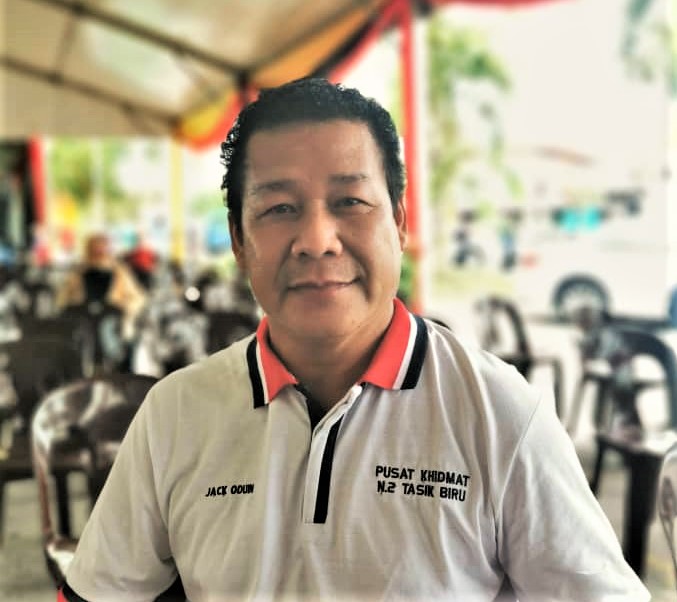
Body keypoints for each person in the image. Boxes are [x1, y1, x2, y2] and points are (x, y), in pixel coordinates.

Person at [59, 78, 649, 601]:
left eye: (350, 202)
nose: (317, 240)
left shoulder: (499, 416)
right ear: (238, 240)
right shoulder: (175, 414)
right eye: (279, 208)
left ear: (399, 221)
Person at [57, 232, 147, 358]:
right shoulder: (77, 272)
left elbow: (137, 298)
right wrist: (71, 306)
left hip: (112, 316)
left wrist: (125, 309)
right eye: (95, 249)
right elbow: (62, 298)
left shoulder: (120, 272)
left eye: (101, 249)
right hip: (83, 316)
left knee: (114, 339)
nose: (98, 252)